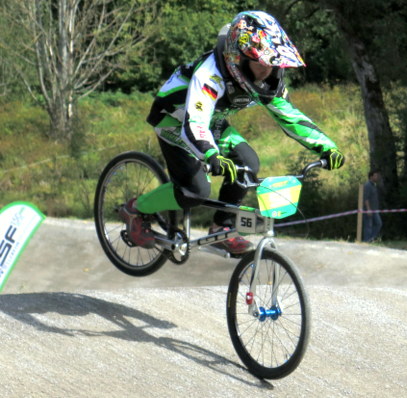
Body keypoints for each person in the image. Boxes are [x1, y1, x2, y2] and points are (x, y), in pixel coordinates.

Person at [119, 11, 345, 255]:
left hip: (212, 121)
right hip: (174, 120)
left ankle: (221, 228)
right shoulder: (209, 75)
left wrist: (326, 146)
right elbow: (194, 122)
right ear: (238, 57)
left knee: (248, 164)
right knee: (195, 191)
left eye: (273, 63)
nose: (266, 71)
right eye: (261, 62)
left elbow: (291, 116)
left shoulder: (267, 79)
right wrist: (211, 155)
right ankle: (136, 209)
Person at [362, 170, 382, 242]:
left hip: (375, 209)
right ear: (371, 177)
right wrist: (368, 209)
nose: (377, 177)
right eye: (375, 176)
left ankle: (371, 239)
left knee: (378, 223)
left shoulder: (374, 185)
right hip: (369, 209)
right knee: (368, 226)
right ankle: (367, 241)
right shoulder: (368, 185)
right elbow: (366, 198)